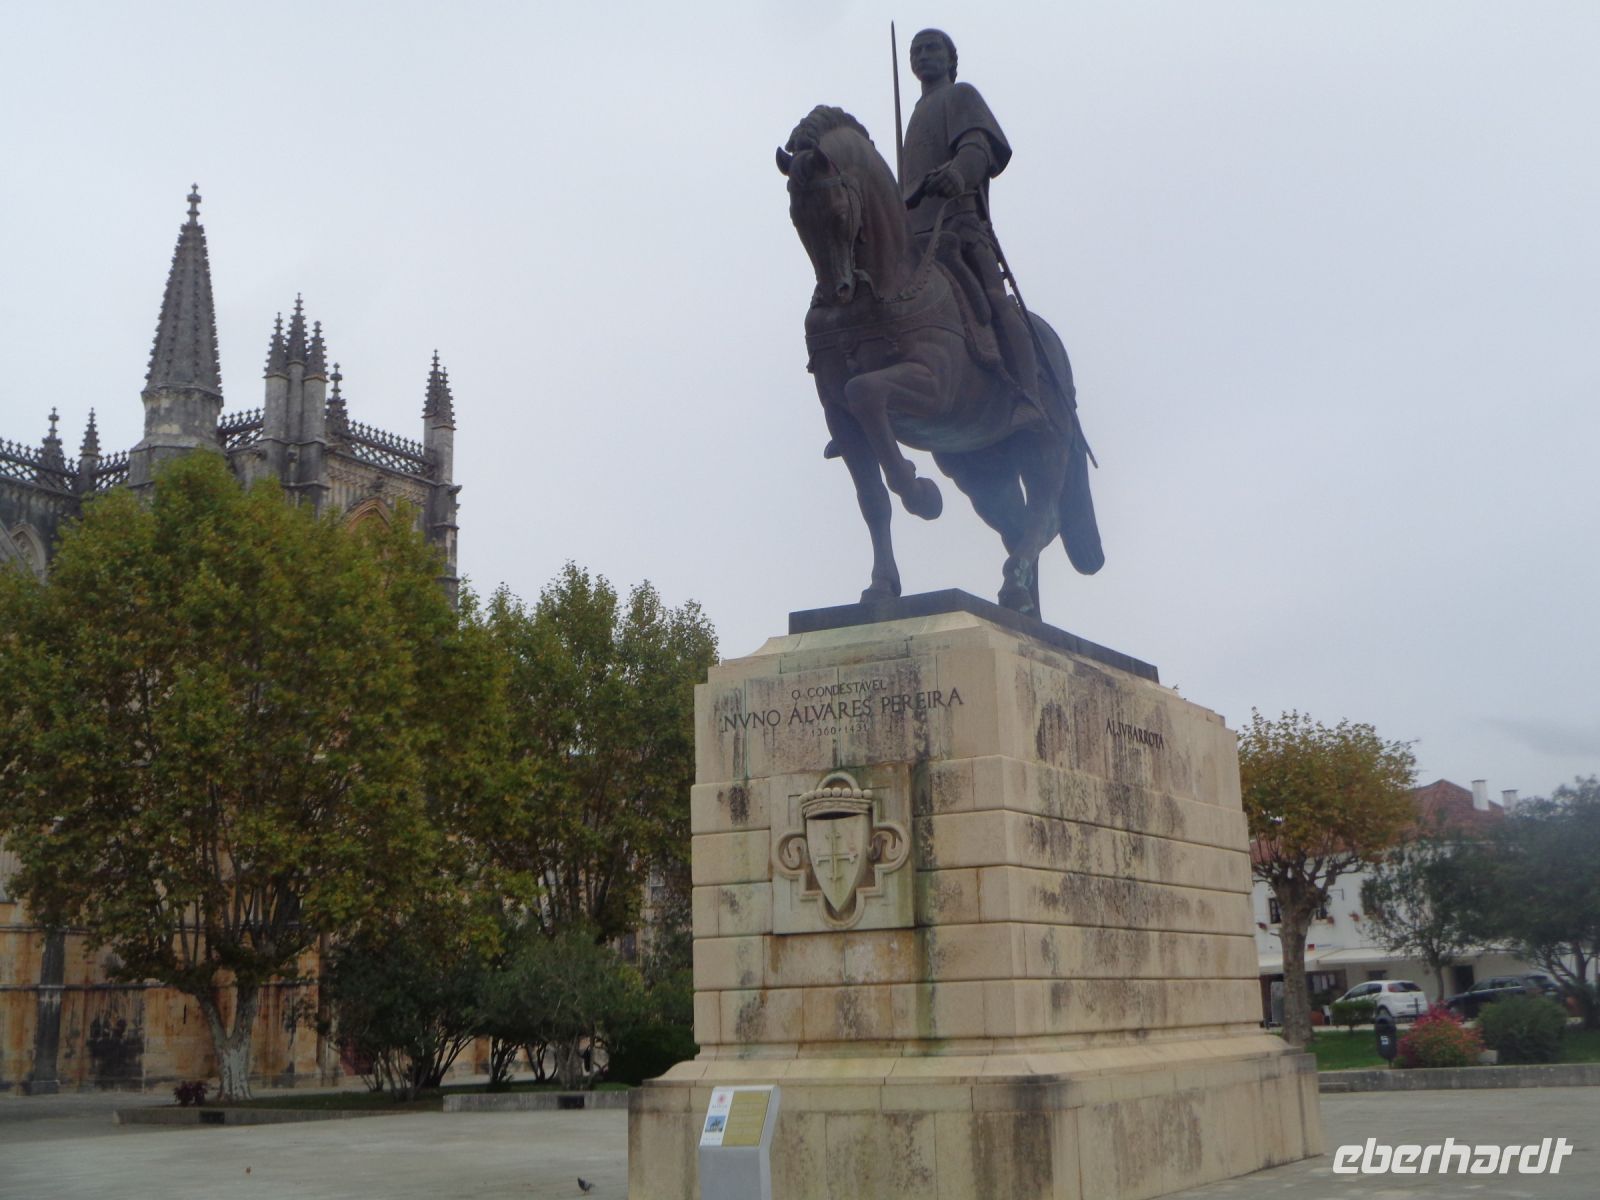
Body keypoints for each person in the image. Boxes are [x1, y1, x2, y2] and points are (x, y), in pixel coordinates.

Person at [903, 28, 1040, 406]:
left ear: (950, 59)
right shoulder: (914, 115)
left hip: (959, 224)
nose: (922, 55)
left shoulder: (960, 96)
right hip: (914, 237)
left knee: (995, 301)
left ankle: (1031, 396)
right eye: (916, 51)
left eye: (932, 48)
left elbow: (977, 148)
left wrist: (958, 173)